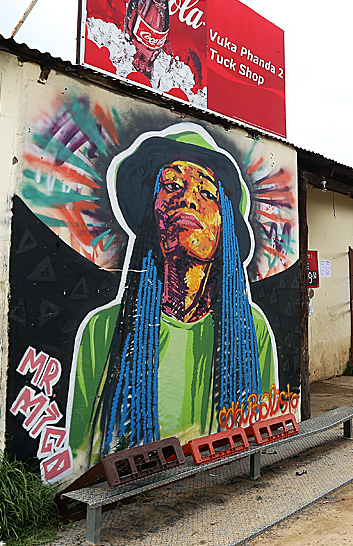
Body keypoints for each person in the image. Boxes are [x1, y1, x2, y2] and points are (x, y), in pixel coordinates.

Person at [66, 124, 277, 470]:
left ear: (225, 226)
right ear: (154, 211)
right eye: (172, 185)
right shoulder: (103, 332)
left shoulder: (253, 334)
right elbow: (79, 460)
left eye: (208, 194)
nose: (188, 199)